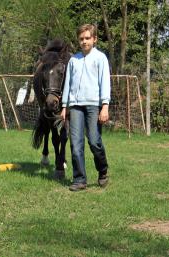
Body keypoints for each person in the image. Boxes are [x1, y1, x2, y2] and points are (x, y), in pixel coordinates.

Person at [60, 24, 110, 191]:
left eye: (87, 38)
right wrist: (64, 106)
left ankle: (103, 170)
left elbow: (105, 83)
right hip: (74, 106)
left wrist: (105, 106)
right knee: (75, 144)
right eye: (81, 39)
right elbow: (68, 84)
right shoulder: (74, 60)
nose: (84, 41)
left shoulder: (100, 58)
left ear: (94, 39)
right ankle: (79, 179)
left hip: (93, 105)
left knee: (95, 141)